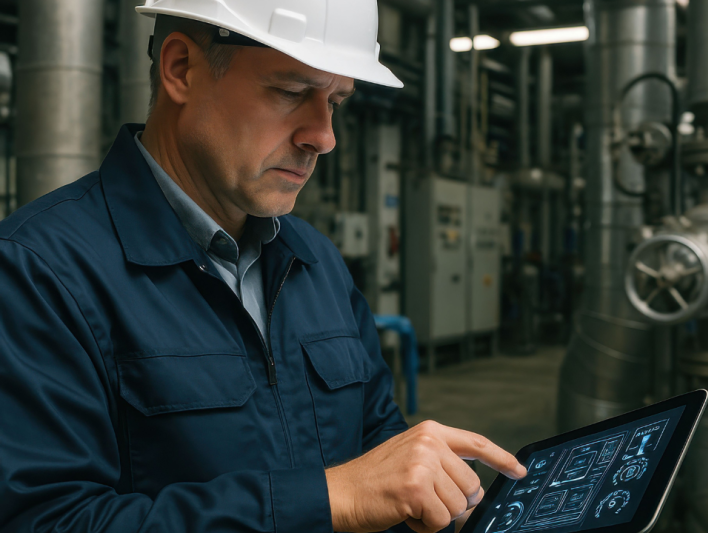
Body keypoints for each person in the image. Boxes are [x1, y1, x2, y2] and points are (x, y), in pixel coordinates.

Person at [0, 1, 527, 532]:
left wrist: (441, 504)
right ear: (181, 68)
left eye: (335, 102)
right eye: (291, 92)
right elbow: (46, 519)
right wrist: (328, 499)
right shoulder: (39, 272)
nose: (324, 137)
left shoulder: (316, 262)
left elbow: (376, 448)